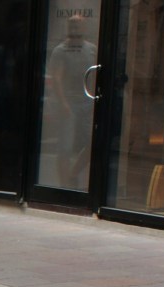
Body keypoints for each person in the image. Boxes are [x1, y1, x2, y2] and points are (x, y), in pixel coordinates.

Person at [47, 15, 97, 189]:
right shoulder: (61, 51)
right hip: (68, 103)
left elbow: (95, 75)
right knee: (65, 147)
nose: (75, 28)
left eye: (79, 24)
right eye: (72, 24)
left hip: (87, 101)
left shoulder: (91, 49)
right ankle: (63, 186)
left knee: (93, 143)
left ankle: (73, 174)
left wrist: (94, 100)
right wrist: (63, 103)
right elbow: (57, 78)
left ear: (84, 27)